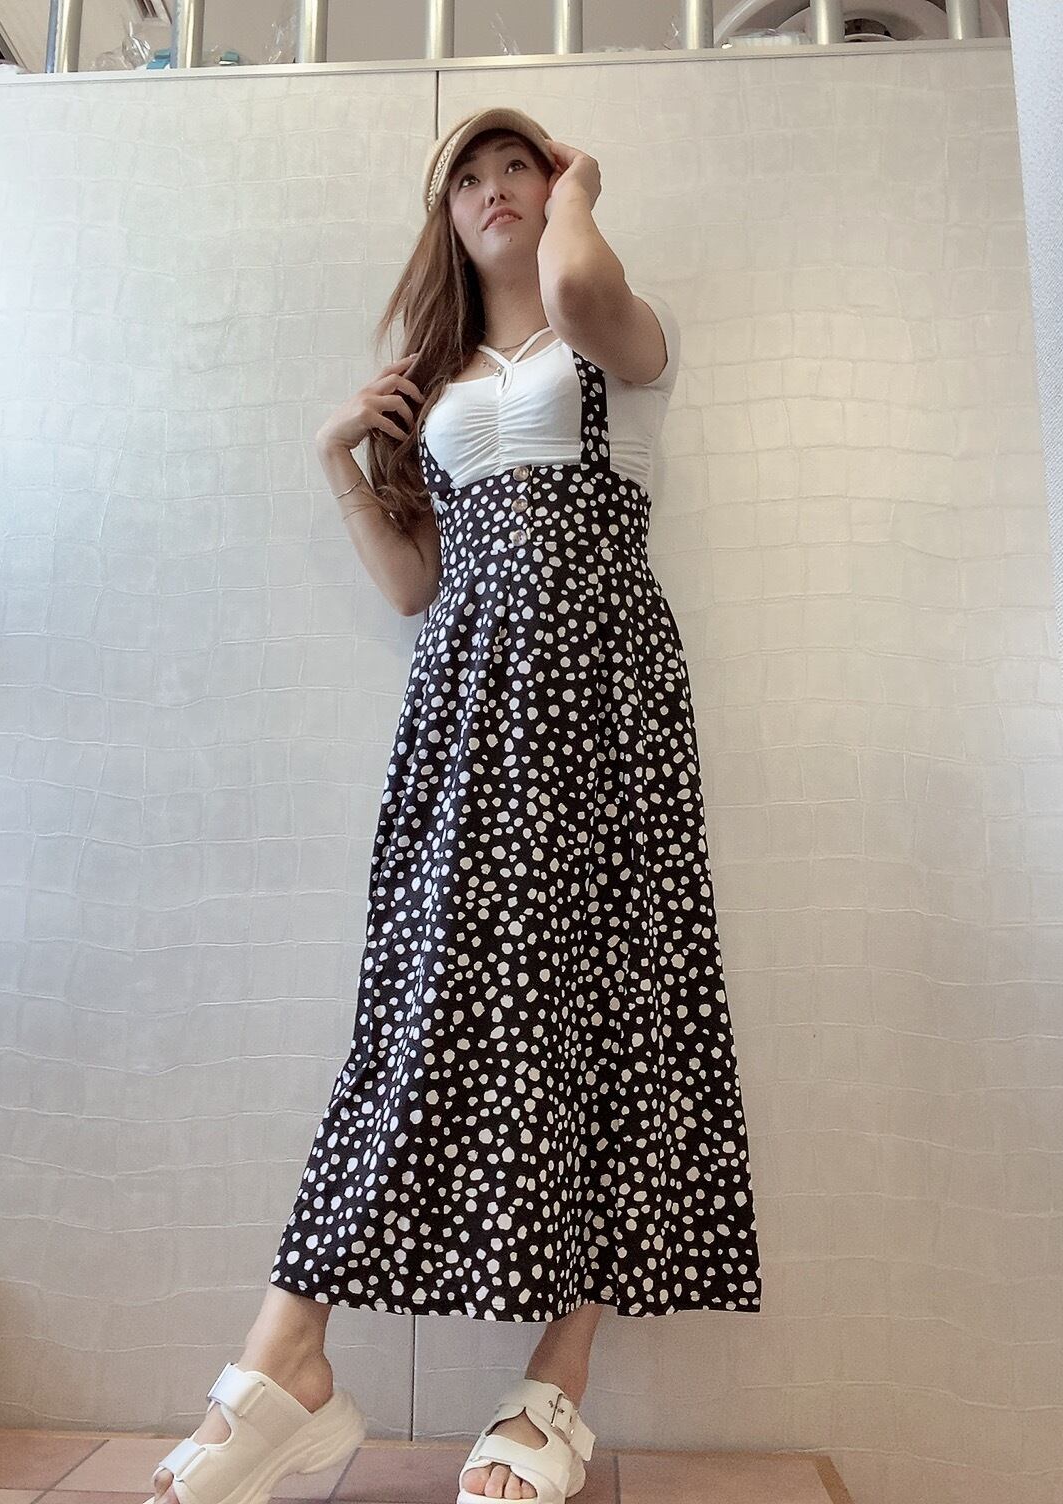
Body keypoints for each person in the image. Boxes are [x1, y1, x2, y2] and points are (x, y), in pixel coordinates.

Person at [147, 107, 762, 1504]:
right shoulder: (438, 389)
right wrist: (340, 463)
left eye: (518, 169)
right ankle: (293, 1357)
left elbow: (583, 285)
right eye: (469, 179)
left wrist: (583, 187)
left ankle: (554, 1384)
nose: (495, 191)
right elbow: (417, 589)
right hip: (467, 718)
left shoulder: (614, 333)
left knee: (618, 1011)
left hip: (601, 702)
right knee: (420, 1009)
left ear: (558, 186)